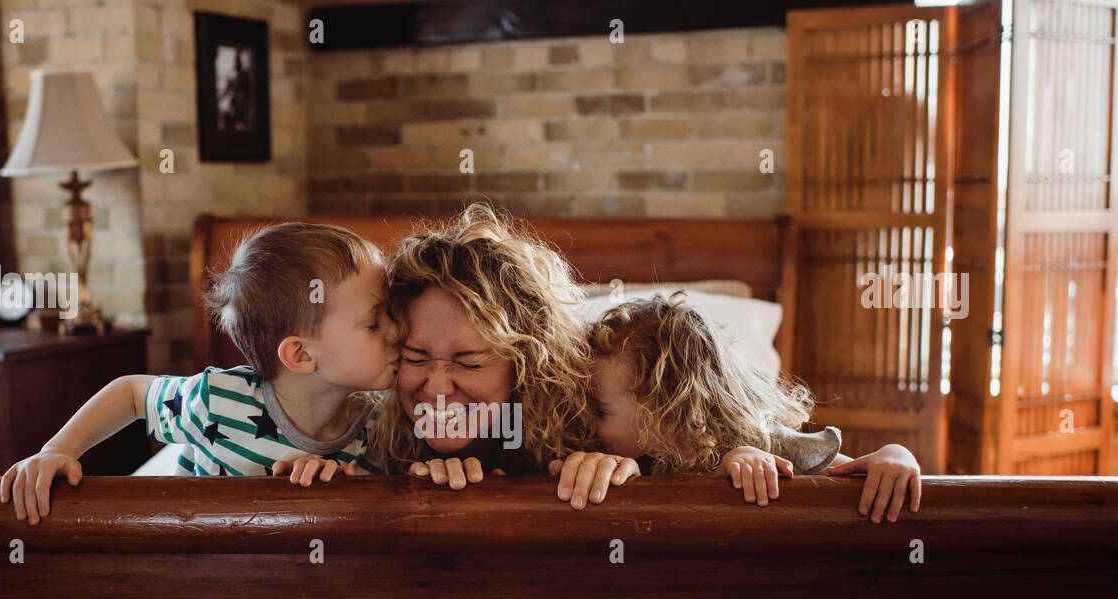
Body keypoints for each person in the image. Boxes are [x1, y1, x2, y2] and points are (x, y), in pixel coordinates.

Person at [0, 222, 399, 525]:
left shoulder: (384, 422)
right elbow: (132, 394)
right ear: (300, 353)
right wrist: (58, 450)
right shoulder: (218, 401)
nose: (398, 330)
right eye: (374, 322)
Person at [364, 202, 637, 510]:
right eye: (415, 358)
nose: (437, 388)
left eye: (469, 362)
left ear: (524, 363)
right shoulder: (364, 441)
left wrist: (610, 470)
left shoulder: (587, 429)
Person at [582, 292, 922, 523]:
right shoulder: (624, 461)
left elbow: (847, 474)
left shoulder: (765, 441)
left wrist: (895, 455)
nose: (585, 419)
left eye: (600, 410)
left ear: (665, 414)